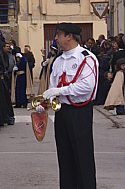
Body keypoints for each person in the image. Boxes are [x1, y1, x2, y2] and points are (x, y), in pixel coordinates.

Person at [42, 22, 98, 189]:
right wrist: (44, 103)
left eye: (58, 34)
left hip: (80, 112)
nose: (56, 38)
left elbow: (87, 86)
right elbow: (53, 86)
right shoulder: (58, 61)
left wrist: (59, 91)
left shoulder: (87, 58)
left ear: (69, 36)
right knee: (64, 158)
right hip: (63, 112)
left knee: (83, 157)